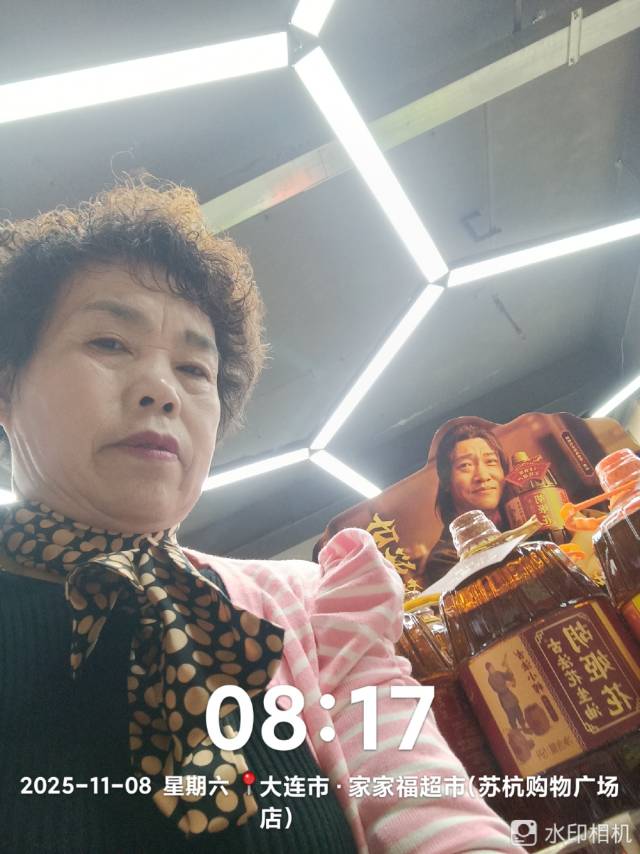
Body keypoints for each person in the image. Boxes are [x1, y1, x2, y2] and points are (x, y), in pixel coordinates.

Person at [0, 177, 522, 853]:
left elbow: (428, 808)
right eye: (109, 343)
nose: (161, 389)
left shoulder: (313, 610)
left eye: (195, 370)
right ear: (8, 385)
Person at [423, 422, 509, 585]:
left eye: (491, 461)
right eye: (465, 465)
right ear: (446, 481)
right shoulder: (445, 558)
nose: (483, 476)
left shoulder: (522, 519)